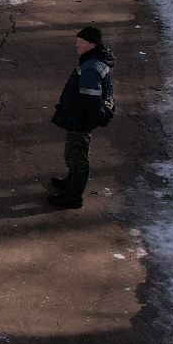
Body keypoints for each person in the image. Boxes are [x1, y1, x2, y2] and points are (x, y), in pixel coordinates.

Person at [48, 26, 115, 209]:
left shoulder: (92, 67)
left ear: (92, 44)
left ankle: (73, 197)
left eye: (81, 43)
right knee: (73, 153)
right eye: (77, 42)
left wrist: (88, 115)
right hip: (79, 117)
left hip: (81, 119)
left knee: (77, 157)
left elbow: (90, 99)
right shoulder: (95, 60)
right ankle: (70, 183)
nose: (77, 46)